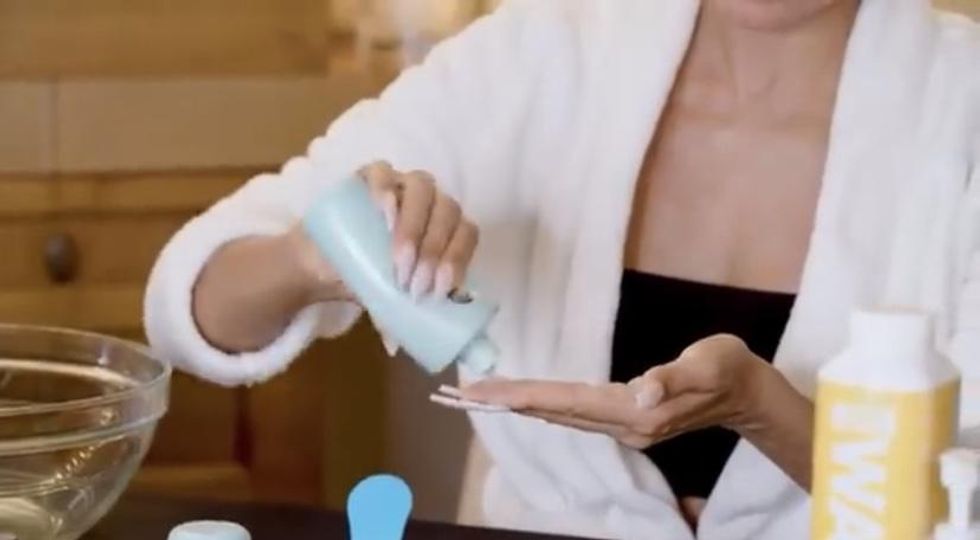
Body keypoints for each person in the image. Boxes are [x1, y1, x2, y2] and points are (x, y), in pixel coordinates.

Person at [144, 0, 979, 538]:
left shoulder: (959, 113)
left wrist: (765, 412)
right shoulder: (538, 56)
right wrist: (306, 258)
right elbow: (194, 306)